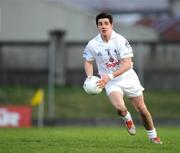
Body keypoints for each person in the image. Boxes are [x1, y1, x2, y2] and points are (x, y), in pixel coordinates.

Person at [83, 12, 162, 144]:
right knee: (120, 108)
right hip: (111, 82)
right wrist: (90, 77)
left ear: (112, 25)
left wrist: (110, 76)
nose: (103, 26)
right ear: (97, 26)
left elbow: (127, 64)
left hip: (127, 77)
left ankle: (153, 136)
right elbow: (88, 61)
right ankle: (127, 118)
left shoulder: (120, 40)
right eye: (100, 24)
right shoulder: (92, 44)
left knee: (142, 109)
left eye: (106, 23)